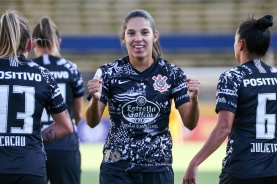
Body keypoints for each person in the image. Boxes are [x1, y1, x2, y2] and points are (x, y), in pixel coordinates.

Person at [86, 9, 201, 184]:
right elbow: (92, 122)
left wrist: (194, 100)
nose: (138, 38)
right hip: (116, 168)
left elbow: (190, 124)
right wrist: (95, 99)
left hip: (158, 168)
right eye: (131, 33)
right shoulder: (108, 72)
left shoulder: (172, 73)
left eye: (144, 32)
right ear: (123, 39)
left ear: (155, 36)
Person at [183, 14, 277, 184]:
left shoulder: (232, 77)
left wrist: (195, 162)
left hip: (242, 170)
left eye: (235, 41)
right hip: (276, 170)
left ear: (241, 44)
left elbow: (223, 128)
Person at [0, 10, 73, 184]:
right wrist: (32, 137)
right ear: (29, 45)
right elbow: (66, 127)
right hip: (30, 167)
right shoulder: (43, 75)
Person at [32, 16, 84, 184]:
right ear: (58, 42)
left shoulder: (27, 69)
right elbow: (77, 113)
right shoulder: (71, 69)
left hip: (33, 145)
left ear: (33, 43)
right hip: (65, 145)